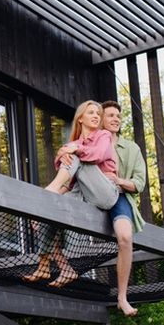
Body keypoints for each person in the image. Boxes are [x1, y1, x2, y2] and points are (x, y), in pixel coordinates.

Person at [23, 100, 120, 288]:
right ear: (80, 118)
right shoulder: (72, 145)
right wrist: (43, 210)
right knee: (50, 212)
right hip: (81, 195)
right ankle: (48, 265)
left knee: (76, 155)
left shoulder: (103, 135)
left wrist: (74, 150)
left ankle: (48, 193)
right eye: (91, 112)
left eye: (98, 114)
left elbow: (98, 155)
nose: (95, 116)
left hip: (105, 193)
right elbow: (68, 176)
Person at [96, 100, 146, 317]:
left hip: (118, 196)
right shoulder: (92, 141)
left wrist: (118, 180)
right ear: (100, 119)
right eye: (110, 115)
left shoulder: (131, 148)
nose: (115, 119)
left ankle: (122, 297)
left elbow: (139, 183)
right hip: (91, 195)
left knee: (125, 238)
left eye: (118, 115)